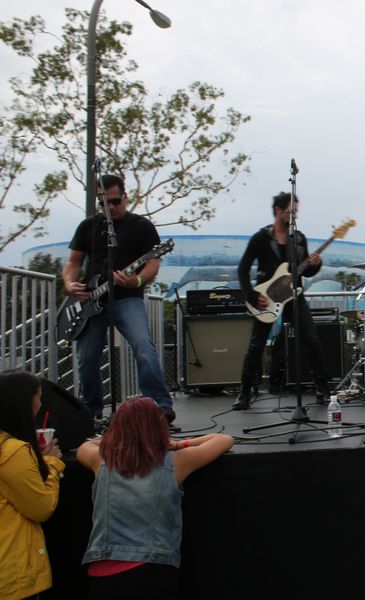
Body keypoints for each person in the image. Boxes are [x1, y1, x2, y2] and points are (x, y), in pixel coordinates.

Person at [76, 397, 233, 600]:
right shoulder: (175, 462)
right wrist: (177, 444)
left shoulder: (101, 460)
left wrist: (119, 436)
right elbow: (224, 439)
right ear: (158, 426)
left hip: (103, 572)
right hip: (152, 570)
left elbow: (86, 445)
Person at [62, 174, 175, 425]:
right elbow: (73, 263)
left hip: (127, 298)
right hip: (90, 301)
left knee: (143, 347)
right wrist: (70, 283)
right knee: (86, 357)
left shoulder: (142, 226)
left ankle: (159, 406)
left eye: (115, 201)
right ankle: (90, 414)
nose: (111, 207)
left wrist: (137, 280)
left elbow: (152, 263)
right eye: (104, 203)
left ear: (125, 196)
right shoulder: (87, 226)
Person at [233, 192, 330, 417]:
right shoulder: (260, 238)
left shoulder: (299, 238)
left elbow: (305, 271)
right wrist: (250, 295)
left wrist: (315, 264)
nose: (294, 215)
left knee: (311, 339)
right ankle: (245, 391)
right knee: (256, 345)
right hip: (265, 298)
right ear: (278, 210)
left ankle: (322, 387)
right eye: (290, 210)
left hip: (294, 296)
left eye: (296, 211)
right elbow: (243, 268)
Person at [0, 370, 65, 600]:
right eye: (38, 397)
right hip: (12, 575)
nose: (40, 404)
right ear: (23, 403)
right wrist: (52, 463)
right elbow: (41, 507)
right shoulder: (12, 452)